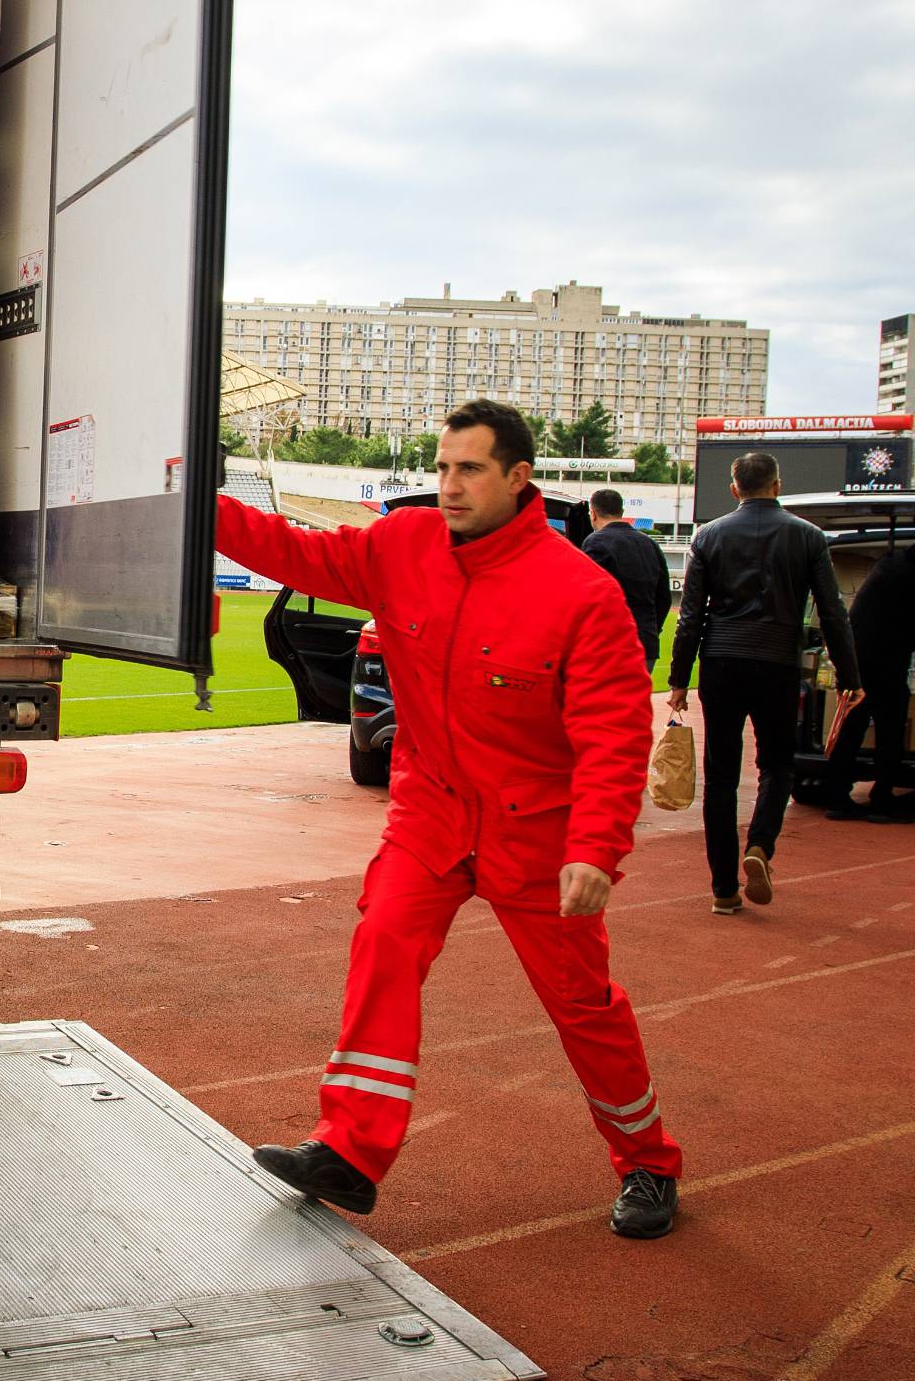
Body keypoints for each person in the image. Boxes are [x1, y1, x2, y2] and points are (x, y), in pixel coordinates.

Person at [217, 399, 683, 1242]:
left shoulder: (583, 593)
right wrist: (188, 502)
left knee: (583, 1003)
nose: (449, 484)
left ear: (518, 476)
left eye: (468, 469)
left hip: (538, 833)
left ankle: (647, 1159)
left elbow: (614, 734)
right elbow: (290, 549)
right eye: (441, 467)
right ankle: (349, 1151)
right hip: (432, 814)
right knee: (383, 940)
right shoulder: (403, 547)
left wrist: (595, 850)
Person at [667, 449, 860, 913]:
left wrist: (678, 679)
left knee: (721, 777)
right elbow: (833, 611)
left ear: (735, 489)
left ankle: (723, 890)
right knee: (777, 763)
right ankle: (761, 845)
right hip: (777, 660)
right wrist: (850, 675)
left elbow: (692, 615)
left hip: (722, 661)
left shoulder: (708, 535)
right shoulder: (809, 537)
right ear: (777, 485)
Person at [822, 543, 915, 821]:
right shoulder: (907, 572)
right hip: (886, 660)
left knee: (852, 726)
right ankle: (882, 797)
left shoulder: (891, 564)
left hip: (857, 657)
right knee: (891, 727)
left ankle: (837, 796)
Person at [580, 488, 672, 670]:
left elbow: (586, 596)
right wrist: (651, 629)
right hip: (645, 642)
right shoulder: (649, 543)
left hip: (610, 644)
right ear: (621, 512)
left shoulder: (595, 542)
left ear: (593, 513)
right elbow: (663, 597)